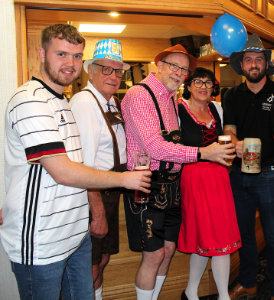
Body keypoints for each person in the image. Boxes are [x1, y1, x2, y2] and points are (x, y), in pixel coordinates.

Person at [3, 24, 152, 300]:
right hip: (42, 242)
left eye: (75, 56)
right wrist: (124, 180)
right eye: (61, 54)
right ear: (41, 54)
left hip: (74, 235)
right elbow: (63, 171)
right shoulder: (30, 101)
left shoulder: (60, 100)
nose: (70, 64)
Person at [121, 44, 235, 300]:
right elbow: (155, 147)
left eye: (183, 69)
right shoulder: (140, 95)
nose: (179, 73)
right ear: (158, 65)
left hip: (172, 185)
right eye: (174, 66)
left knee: (168, 249)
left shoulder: (170, 99)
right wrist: (203, 153)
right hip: (146, 183)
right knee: (154, 254)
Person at [222, 34, 274, 300]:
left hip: (271, 176)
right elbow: (229, 131)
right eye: (249, 59)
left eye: (259, 59)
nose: (254, 64)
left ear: (266, 64)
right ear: (242, 65)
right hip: (239, 175)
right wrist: (235, 144)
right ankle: (248, 282)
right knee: (244, 233)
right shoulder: (232, 95)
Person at [68, 38, 130, 300]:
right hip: (93, 196)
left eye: (118, 70)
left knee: (102, 259)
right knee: (91, 263)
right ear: (90, 70)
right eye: (106, 69)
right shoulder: (84, 102)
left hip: (110, 192)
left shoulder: (110, 102)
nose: (113, 76)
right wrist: (97, 213)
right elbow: (84, 166)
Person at [175, 68, 241, 300]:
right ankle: (223, 296)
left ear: (214, 87)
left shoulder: (218, 109)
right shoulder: (177, 109)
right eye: (198, 82)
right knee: (214, 236)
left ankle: (191, 291)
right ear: (189, 85)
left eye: (208, 82)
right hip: (194, 178)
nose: (203, 86)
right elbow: (173, 148)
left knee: (210, 237)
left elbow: (228, 140)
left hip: (220, 177)